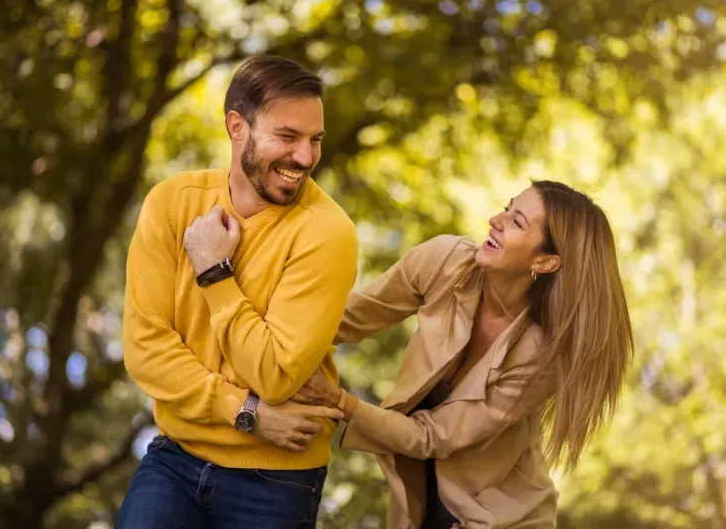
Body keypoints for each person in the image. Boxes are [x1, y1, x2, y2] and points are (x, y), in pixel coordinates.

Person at [294, 181, 634, 528]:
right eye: (506, 207)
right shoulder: (446, 263)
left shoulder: (541, 356)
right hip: (419, 500)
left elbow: (431, 436)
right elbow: (350, 318)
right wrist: (266, 330)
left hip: (500, 516)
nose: (494, 220)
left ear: (545, 261)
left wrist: (341, 402)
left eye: (517, 222)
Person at [117, 55, 358, 528]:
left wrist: (213, 272)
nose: (306, 157)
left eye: (315, 140)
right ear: (237, 127)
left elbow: (275, 375)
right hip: (175, 457)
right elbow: (146, 351)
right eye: (287, 137)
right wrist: (246, 412)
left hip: (277, 481)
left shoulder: (328, 234)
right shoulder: (171, 204)